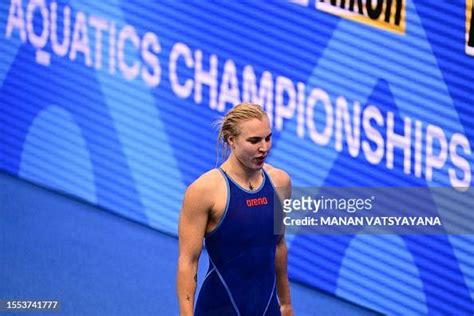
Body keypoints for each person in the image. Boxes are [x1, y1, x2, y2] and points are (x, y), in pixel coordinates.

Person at [177, 103, 293, 316]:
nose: (264, 148)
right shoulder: (204, 191)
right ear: (231, 140)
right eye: (254, 141)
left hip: (268, 309)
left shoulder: (280, 182)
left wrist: (285, 304)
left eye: (268, 138)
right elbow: (188, 261)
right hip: (219, 309)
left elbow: (278, 245)